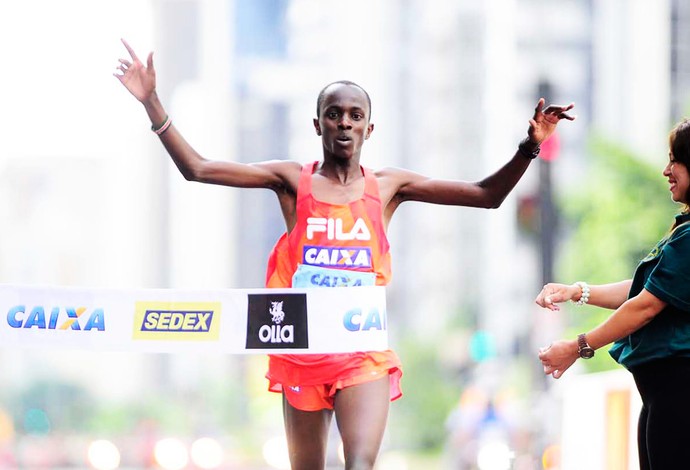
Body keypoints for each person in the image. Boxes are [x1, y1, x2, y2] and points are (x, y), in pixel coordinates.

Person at [115, 38, 575, 470]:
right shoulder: (292, 180)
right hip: (303, 352)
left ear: (369, 128)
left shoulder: (389, 186)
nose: (345, 123)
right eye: (334, 114)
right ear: (318, 124)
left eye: (355, 115)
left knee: (359, 464)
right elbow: (198, 169)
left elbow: (485, 194)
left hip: (362, 354)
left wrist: (531, 144)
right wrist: (151, 102)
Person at [535, 118, 690, 470]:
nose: (666, 170)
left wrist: (577, 347)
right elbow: (645, 290)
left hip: (679, 393)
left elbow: (646, 306)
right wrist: (578, 291)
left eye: (676, 160)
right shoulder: (683, 233)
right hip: (661, 396)